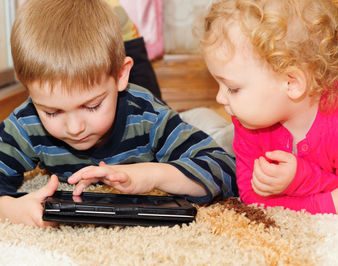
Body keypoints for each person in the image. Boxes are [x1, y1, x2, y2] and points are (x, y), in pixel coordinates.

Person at [0, 0, 237, 227]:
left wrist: (151, 174)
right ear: (27, 87)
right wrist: (9, 208)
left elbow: (224, 169)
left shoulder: (148, 115)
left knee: (216, 128)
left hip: (175, 119)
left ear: (121, 75)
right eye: (52, 112)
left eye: (91, 106)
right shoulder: (26, 122)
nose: (74, 128)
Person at [200, 0, 338, 216]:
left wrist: (300, 179)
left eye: (232, 88)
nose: (220, 98)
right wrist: (328, 202)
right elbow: (252, 197)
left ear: (292, 83)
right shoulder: (249, 120)